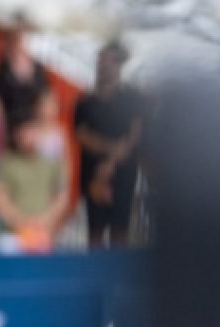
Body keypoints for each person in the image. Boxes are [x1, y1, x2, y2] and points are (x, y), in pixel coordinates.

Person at [74, 40, 145, 248]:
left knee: (119, 229)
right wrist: (110, 150)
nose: (103, 64)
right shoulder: (85, 99)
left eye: (109, 60)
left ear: (119, 64)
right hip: (92, 170)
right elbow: (81, 133)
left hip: (124, 170)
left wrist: (112, 161)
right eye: (101, 59)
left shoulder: (132, 97)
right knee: (94, 230)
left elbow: (135, 133)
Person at [0, 112, 69, 254]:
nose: (28, 136)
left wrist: (45, 220)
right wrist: (21, 222)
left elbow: (62, 197)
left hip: (45, 233)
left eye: (32, 130)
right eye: (23, 131)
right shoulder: (6, 163)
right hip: (12, 235)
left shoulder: (51, 163)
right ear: (16, 135)